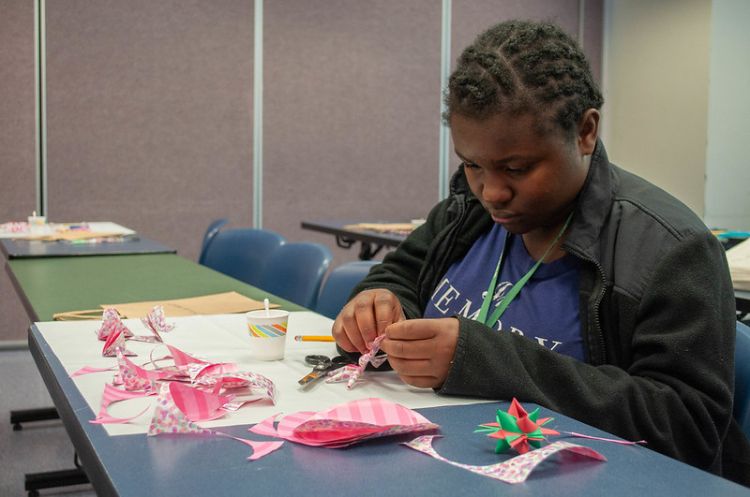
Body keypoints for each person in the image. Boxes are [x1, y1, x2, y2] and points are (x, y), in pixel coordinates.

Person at [332, 20, 750, 485]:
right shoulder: (466, 212)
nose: (492, 191)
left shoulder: (670, 250)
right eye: (472, 165)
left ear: (585, 131)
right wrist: (379, 301)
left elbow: (687, 425)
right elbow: (400, 275)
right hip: (451, 466)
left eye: (516, 168)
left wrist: (484, 359)